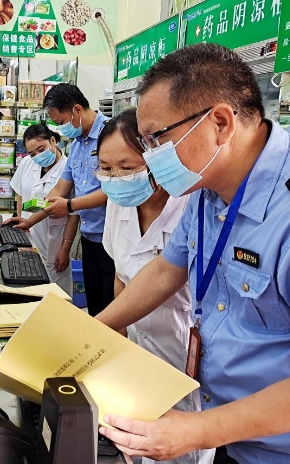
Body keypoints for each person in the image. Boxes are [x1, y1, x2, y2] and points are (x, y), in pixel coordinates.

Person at [95, 43, 290, 463]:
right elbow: (164, 271)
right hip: (241, 435)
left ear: (219, 123)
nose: (150, 156)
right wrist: (92, 332)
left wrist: (195, 431)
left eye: (156, 138)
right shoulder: (207, 188)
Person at [98, 109, 214, 464]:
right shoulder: (119, 206)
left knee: (183, 450)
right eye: (105, 167)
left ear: (156, 158)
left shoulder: (191, 208)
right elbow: (122, 276)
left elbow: (168, 277)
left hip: (186, 357)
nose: (116, 178)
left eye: (127, 166)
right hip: (139, 354)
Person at [25, 83, 113, 316]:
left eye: (61, 121)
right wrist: (31, 220)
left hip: (112, 239)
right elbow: (60, 189)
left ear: (76, 109)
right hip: (89, 238)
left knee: (110, 310)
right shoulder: (76, 146)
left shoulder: (111, 135)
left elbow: (113, 189)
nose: (60, 128)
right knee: (94, 309)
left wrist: (70, 206)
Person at [4, 124, 79, 296]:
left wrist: (65, 250)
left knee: (57, 293)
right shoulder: (27, 164)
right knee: (30, 289)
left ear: (53, 140)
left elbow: (74, 216)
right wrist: (20, 220)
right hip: (29, 235)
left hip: (55, 239)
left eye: (41, 149)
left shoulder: (67, 169)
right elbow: (20, 194)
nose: (37, 156)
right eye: (32, 153)